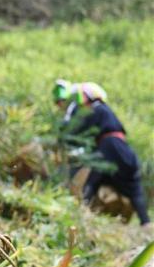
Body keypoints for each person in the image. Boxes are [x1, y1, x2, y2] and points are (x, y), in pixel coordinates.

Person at [52, 79, 150, 226]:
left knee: (93, 181)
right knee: (133, 188)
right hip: (123, 149)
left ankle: (80, 213)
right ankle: (146, 222)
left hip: (109, 146)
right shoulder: (104, 111)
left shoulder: (96, 109)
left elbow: (76, 130)